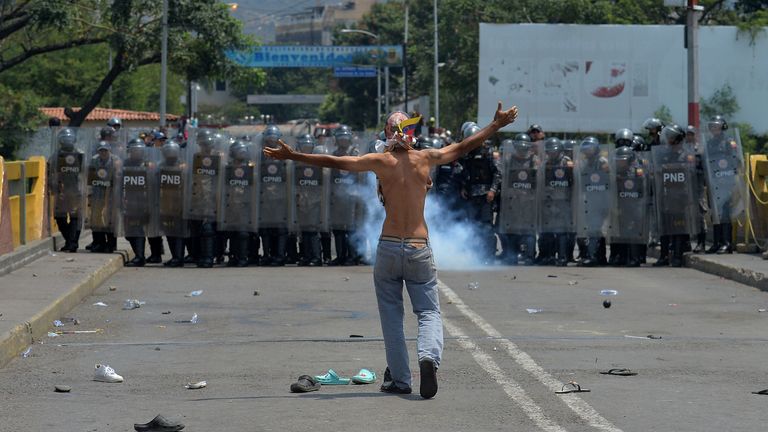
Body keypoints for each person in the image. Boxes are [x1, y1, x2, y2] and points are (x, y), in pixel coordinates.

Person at [264, 101, 519, 399]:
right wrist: (495, 125)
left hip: (387, 247)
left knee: (391, 317)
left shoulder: (379, 161)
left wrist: (293, 155)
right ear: (412, 134)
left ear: (387, 134)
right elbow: (463, 147)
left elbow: (334, 161)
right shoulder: (425, 158)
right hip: (418, 246)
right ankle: (428, 358)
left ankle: (400, 379)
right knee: (428, 312)